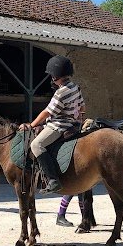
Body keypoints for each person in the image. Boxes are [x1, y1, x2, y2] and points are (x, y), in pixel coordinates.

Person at [20, 55, 85, 194]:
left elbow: (47, 112)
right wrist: (78, 119)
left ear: (56, 76)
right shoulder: (75, 87)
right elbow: (82, 107)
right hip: (73, 124)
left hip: (59, 125)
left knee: (36, 145)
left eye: (52, 75)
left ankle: (53, 180)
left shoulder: (61, 93)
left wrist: (31, 125)